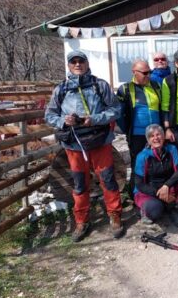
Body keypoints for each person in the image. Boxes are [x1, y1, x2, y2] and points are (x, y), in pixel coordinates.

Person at [45, 51, 124, 242]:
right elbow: (49, 115)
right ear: (69, 65)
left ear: (87, 64)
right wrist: (65, 121)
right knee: (80, 184)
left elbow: (115, 110)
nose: (78, 64)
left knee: (108, 180)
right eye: (74, 62)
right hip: (74, 145)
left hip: (99, 142)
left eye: (81, 61)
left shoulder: (100, 85)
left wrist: (94, 119)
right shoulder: (61, 89)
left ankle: (115, 216)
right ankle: (81, 221)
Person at [116, 60, 161, 199]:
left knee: (156, 164)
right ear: (134, 72)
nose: (148, 75)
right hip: (138, 134)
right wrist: (127, 130)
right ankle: (136, 195)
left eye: (150, 72)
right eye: (145, 73)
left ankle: (155, 194)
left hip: (156, 134)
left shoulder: (155, 85)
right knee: (138, 165)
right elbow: (120, 114)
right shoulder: (125, 89)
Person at [133, 124, 178, 227]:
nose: (156, 138)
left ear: (163, 136)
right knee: (155, 209)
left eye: (158, 135)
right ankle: (145, 211)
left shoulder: (172, 149)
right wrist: (159, 193)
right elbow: (139, 184)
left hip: (168, 187)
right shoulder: (142, 156)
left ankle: (171, 209)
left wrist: (167, 186)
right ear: (148, 140)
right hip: (149, 191)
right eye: (152, 136)